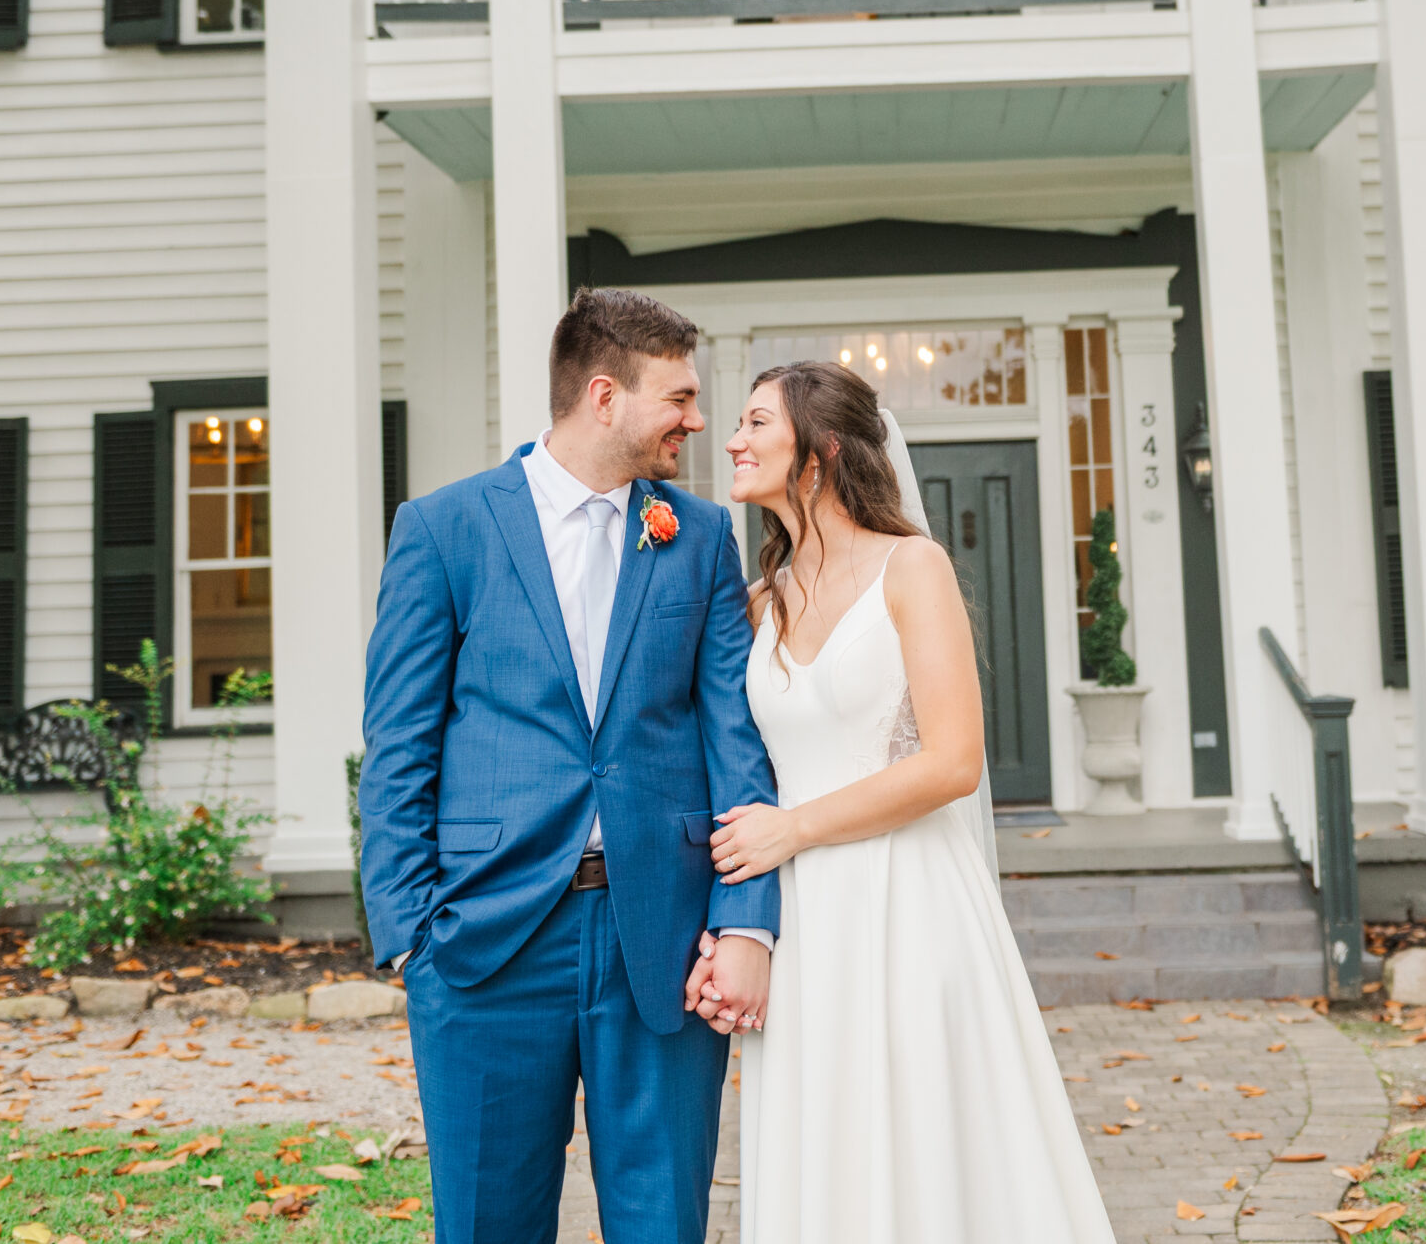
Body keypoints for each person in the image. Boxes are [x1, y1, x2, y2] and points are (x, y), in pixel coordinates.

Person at [358, 287, 780, 1244]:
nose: (698, 419)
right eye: (677, 397)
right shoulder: (443, 529)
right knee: (487, 1223)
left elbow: (734, 740)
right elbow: (398, 744)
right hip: (484, 941)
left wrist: (745, 922)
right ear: (604, 395)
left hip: (664, 941)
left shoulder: (701, 536)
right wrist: (411, 935)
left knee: (664, 1222)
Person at [697, 360, 1117, 1244]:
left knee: (924, 1131)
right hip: (803, 915)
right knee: (830, 1140)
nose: (732, 438)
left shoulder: (911, 569)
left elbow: (955, 760)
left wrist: (794, 828)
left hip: (907, 897)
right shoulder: (754, 603)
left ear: (819, 453)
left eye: (755, 422)